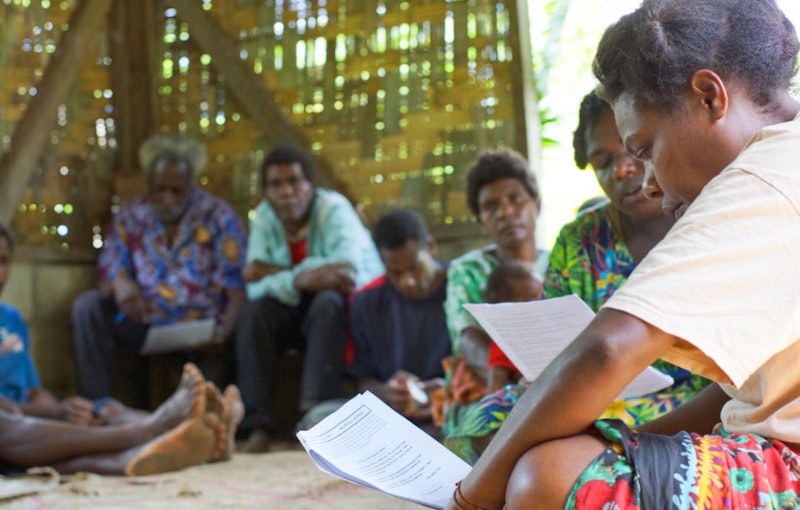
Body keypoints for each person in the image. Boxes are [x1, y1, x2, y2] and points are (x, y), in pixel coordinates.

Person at [447, 1, 800, 508]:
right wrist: (628, 444)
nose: (650, 183)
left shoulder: (762, 176)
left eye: (646, 149)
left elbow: (608, 349)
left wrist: (469, 498)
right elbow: (746, 393)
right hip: (760, 439)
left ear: (708, 96)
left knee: (546, 476)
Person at [444, 91, 712, 465]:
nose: (620, 170)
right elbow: (549, 338)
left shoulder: (708, 220)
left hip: (690, 394)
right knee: (485, 418)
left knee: (572, 444)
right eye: (603, 162)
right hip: (586, 388)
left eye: (632, 151)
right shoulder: (579, 240)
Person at [0, 223, 243, 475]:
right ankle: (148, 431)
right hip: (10, 428)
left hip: (25, 429)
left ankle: (196, 433)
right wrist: (32, 413)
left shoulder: (11, 319)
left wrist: (59, 411)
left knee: (101, 409)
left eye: (4, 261)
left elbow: (35, 393)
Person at [71, 135, 247, 406]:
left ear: (191, 186)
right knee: (88, 308)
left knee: (209, 391)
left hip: (200, 328)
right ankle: (97, 407)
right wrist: (122, 282)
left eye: (177, 191)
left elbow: (236, 287)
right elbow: (110, 267)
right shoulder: (130, 216)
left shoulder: (219, 217)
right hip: (146, 322)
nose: (167, 199)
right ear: (148, 186)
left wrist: (223, 334)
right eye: (159, 190)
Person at [235, 144, 383, 452]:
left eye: (295, 181)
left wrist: (278, 273)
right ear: (265, 192)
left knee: (328, 300)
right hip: (297, 305)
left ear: (311, 186)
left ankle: (316, 419)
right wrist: (302, 277)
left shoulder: (333, 209)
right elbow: (255, 288)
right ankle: (257, 425)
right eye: (276, 184)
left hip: (350, 307)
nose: (287, 191)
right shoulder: (263, 218)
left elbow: (346, 272)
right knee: (254, 312)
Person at [437, 148, 549, 456]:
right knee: (490, 426)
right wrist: (510, 390)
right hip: (491, 380)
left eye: (515, 198)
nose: (506, 211)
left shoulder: (561, 262)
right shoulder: (468, 270)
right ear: (481, 221)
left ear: (535, 204)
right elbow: (470, 341)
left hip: (554, 376)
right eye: (491, 206)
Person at [347, 209, 451, 436]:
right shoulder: (367, 303)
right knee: (321, 418)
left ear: (431, 247)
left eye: (415, 266)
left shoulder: (461, 286)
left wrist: (452, 389)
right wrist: (386, 393)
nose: (407, 281)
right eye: (395, 272)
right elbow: (363, 379)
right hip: (394, 418)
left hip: (454, 410)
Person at [484, 261, 543, 392]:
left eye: (543, 294)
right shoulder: (506, 341)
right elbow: (495, 387)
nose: (543, 302)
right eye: (533, 299)